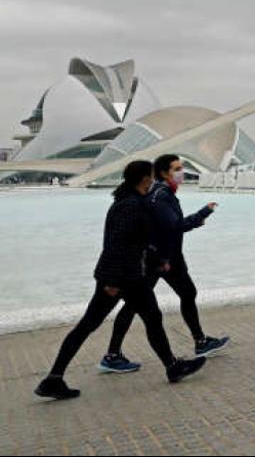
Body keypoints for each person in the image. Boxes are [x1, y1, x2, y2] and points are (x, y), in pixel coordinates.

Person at [35, 160, 206, 400]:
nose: (154, 181)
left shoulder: (129, 202)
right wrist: (112, 281)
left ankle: (54, 378)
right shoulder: (130, 206)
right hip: (122, 277)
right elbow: (117, 245)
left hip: (121, 275)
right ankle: (172, 366)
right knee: (119, 321)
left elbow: (138, 242)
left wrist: (158, 261)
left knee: (129, 320)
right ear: (145, 179)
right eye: (151, 177)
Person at [100, 154, 229, 373]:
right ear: (162, 173)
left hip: (166, 257)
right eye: (177, 168)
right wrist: (201, 215)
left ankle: (200, 341)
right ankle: (113, 355)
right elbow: (173, 226)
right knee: (136, 306)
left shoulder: (161, 192)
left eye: (182, 167)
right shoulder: (160, 195)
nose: (182, 172)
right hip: (159, 259)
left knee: (186, 293)